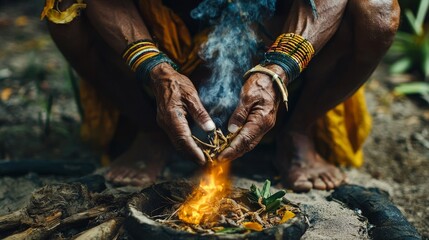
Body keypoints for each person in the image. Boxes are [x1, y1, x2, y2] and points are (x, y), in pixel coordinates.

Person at [42, 0, 400, 191]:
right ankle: (150, 129)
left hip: (277, 24)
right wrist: (157, 71)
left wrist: (277, 71)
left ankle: (298, 131)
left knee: (377, 11)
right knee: (65, 8)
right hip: (162, 21)